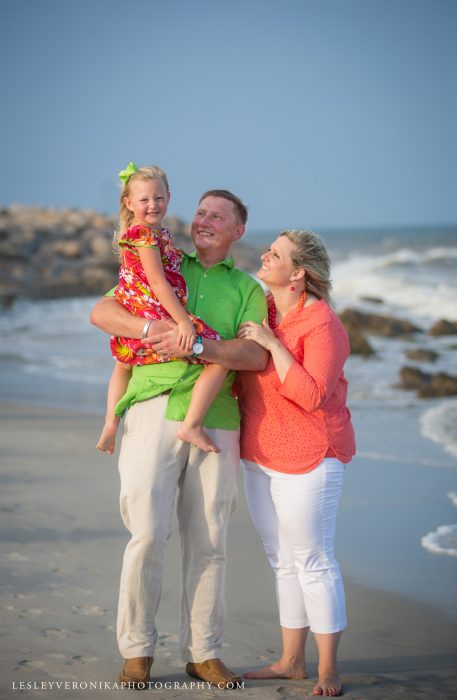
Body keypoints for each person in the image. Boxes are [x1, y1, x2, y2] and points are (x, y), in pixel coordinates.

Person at [90, 189, 268, 689]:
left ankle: (204, 653)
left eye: (219, 216)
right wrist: (157, 330)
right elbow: (103, 313)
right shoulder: (165, 263)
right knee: (147, 533)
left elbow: (256, 357)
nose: (205, 220)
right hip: (151, 406)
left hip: (219, 417)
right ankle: (137, 650)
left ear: (238, 231)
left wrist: (205, 344)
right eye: (201, 212)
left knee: (210, 541)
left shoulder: (250, 291)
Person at [236, 230, 356, 697]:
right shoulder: (261, 309)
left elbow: (310, 395)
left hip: (311, 455)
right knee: (282, 561)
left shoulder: (324, 324)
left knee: (313, 561)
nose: (264, 256)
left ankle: (328, 670)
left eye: (276, 253)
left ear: (298, 273)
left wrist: (273, 344)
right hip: (259, 453)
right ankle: (290, 661)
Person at [96, 162, 227, 455]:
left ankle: (110, 423)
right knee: (218, 354)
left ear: (169, 197)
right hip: (153, 309)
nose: (152, 205)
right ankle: (192, 424)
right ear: (129, 203)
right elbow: (157, 281)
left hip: (133, 307)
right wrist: (183, 322)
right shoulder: (144, 235)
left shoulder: (149, 233)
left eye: (158, 198)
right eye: (144, 200)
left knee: (123, 364)